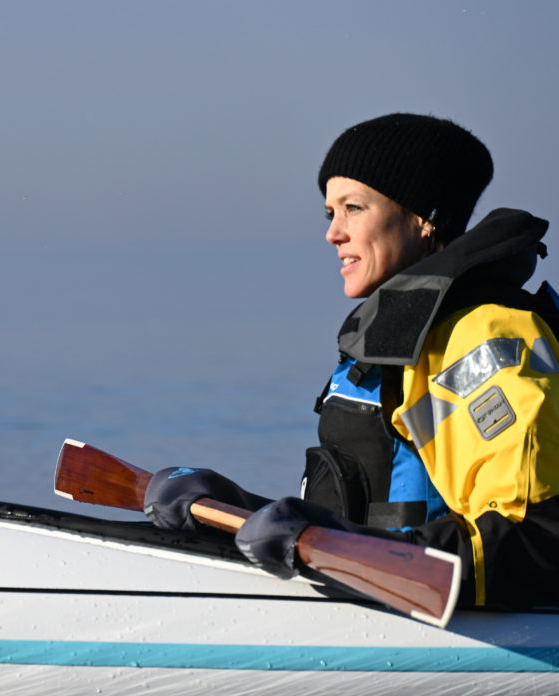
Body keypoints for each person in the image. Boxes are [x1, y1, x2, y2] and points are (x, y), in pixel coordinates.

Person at [144, 112, 559, 610]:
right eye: (329, 213)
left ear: (424, 217)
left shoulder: (485, 336)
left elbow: (536, 542)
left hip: (472, 618)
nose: (333, 234)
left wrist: (344, 545)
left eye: (353, 208)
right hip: (384, 598)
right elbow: (359, 524)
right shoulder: (404, 337)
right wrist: (233, 506)